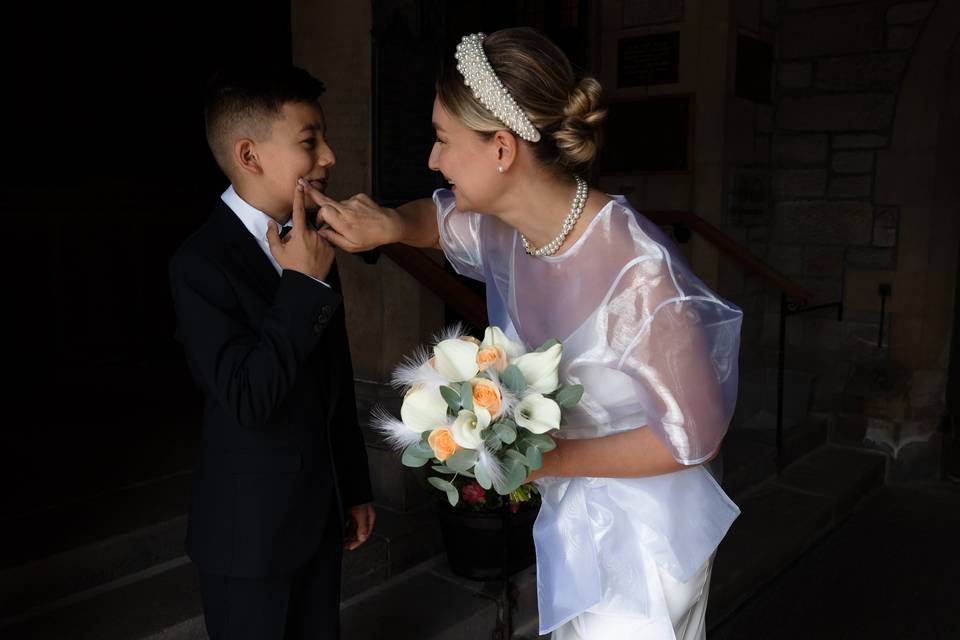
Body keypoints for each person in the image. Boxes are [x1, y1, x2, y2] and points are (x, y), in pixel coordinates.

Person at [304, 28, 742, 640]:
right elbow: (438, 220)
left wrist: (547, 460)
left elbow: (694, 438)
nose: (432, 160)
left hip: (648, 535)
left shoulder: (639, 274)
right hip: (574, 512)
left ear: (502, 150)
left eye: (442, 140)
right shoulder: (506, 229)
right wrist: (390, 224)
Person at [168, 65, 375, 640]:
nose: (330, 156)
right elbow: (247, 396)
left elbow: (334, 377)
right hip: (246, 537)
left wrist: (353, 486)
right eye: (311, 142)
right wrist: (302, 288)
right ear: (250, 156)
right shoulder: (199, 265)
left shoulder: (307, 238)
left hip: (319, 516)